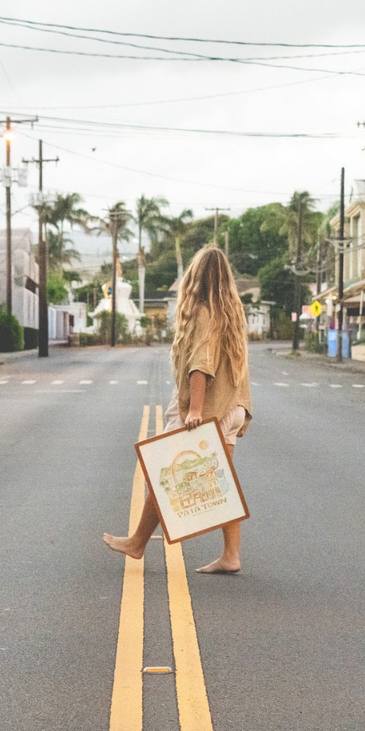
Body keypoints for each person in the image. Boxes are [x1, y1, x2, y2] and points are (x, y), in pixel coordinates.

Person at [103, 245, 253, 573]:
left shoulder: (204, 312)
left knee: (165, 474)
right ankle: (231, 555)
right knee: (223, 484)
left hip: (211, 407)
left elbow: (201, 363)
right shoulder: (232, 312)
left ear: (195, 277)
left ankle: (137, 543)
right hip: (234, 406)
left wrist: (195, 409)